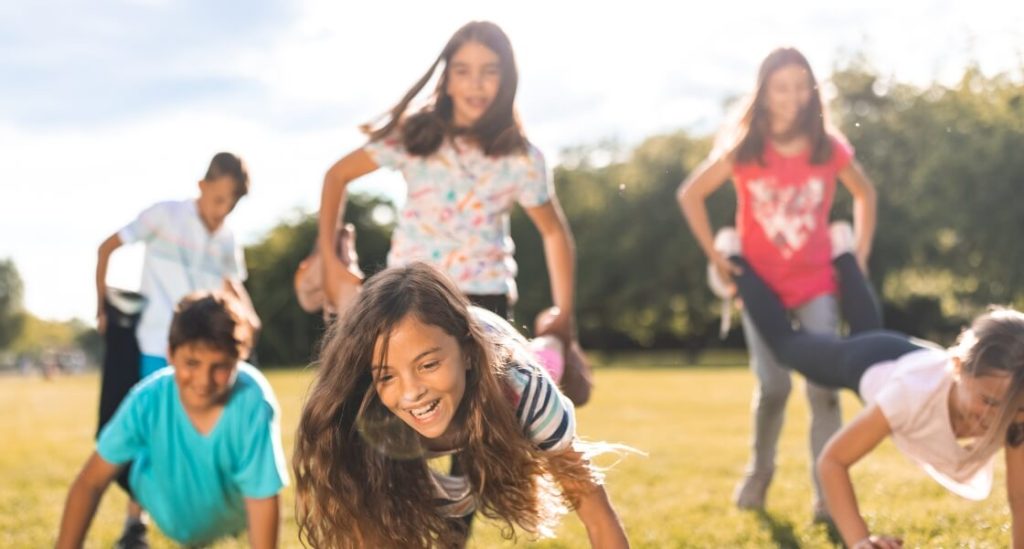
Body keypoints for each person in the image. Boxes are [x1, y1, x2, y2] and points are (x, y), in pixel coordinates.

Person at [292, 263, 628, 548]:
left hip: (506, 350)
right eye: (387, 376)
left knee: (552, 359)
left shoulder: (522, 391)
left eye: (427, 366)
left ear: (466, 353)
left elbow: (596, 513)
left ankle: (555, 331)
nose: (411, 394)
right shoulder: (363, 414)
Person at [677, 46, 878, 519]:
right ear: (764, 93)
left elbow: (865, 193)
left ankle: (828, 497)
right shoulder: (746, 148)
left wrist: (859, 256)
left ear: (812, 92)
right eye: (780, 87)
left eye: (799, 87)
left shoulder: (828, 148)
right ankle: (759, 475)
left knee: (823, 387)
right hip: (759, 286)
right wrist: (717, 258)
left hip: (816, 284)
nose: (791, 97)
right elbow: (691, 194)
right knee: (773, 387)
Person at [729, 243, 1024, 549]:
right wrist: (859, 541)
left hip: (913, 356)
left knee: (866, 329)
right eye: (988, 401)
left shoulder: (1016, 406)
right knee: (787, 346)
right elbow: (832, 461)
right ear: (958, 368)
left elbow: (1020, 497)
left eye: (1014, 407)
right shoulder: (910, 396)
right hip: (870, 360)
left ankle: (842, 249)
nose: (996, 417)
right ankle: (736, 259)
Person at [316, 20, 575, 344]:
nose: (476, 84)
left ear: (506, 79)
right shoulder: (414, 136)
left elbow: (553, 231)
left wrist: (565, 314)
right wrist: (328, 261)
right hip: (409, 296)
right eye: (463, 71)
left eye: (489, 71)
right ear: (448, 80)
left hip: (485, 303)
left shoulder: (521, 158)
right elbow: (336, 175)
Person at [93, 151, 261, 546]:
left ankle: (209, 511)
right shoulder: (163, 216)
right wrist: (103, 306)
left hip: (208, 351)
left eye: (231, 205)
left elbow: (232, 286)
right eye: (218, 199)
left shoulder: (227, 238)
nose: (222, 212)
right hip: (156, 345)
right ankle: (135, 523)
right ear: (202, 186)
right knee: (153, 432)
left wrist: (250, 317)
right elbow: (106, 248)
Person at [56, 292, 288, 548]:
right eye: (191, 362)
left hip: (229, 514)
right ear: (170, 354)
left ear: (239, 360)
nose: (203, 380)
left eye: (220, 367)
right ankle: (135, 521)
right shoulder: (147, 398)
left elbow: (263, 497)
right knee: (134, 448)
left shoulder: (252, 401)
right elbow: (90, 482)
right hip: (161, 502)